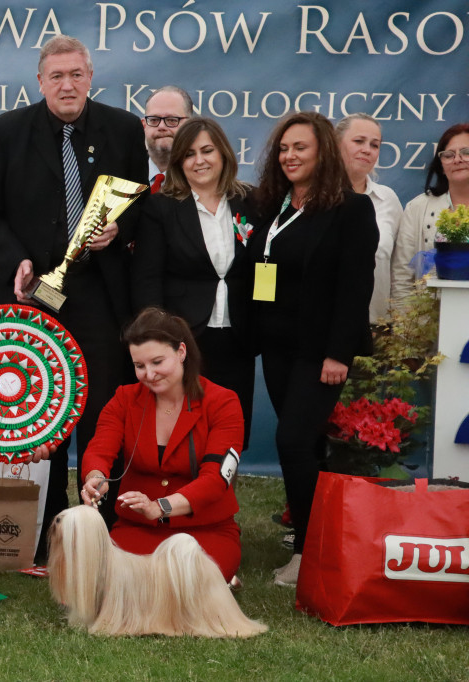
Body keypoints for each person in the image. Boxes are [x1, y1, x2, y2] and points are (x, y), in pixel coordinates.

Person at [0, 34, 148, 558]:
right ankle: (42, 531)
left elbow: (139, 202)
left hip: (99, 293)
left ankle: (102, 530)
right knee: (36, 413)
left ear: (91, 79)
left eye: (76, 75)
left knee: (99, 414)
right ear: (40, 81)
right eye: (56, 76)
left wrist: (119, 228)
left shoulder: (121, 129)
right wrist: (14, 259)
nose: (67, 84)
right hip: (31, 296)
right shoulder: (6, 132)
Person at [249, 111, 378, 587]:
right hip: (279, 348)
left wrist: (338, 354)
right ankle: (324, 542)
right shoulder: (274, 206)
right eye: (283, 149)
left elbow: (354, 287)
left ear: (323, 150)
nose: (289, 156)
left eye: (300, 147)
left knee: (293, 442)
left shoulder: (351, 208)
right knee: (310, 446)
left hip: (320, 354)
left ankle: (306, 553)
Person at [80, 307, 245, 582]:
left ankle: (220, 581)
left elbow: (217, 478)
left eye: (157, 362)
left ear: (181, 352)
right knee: (116, 584)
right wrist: (95, 478)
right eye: (139, 366)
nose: (149, 374)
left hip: (205, 529)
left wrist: (160, 507)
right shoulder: (124, 398)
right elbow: (99, 448)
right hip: (137, 528)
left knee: (186, 585)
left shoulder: (223, 402)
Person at [132, 117, 255, 447]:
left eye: (207, 150)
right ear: (178, 163)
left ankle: (220, 492)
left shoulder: (251, 201)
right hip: (183, 339)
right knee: (181, 432)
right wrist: (157, 338)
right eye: (188, 154)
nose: (199, 160)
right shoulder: (161, 208)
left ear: (224, 154)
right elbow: (147, 278)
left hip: (238, 336)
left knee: (229, 430)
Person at [336, 113, 403, 324]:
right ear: (336, 145)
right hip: (323, 329)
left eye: (375, 145)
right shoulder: (314, 198)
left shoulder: (388, 199)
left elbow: (400, 270)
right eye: (358, 141)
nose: (367, 150)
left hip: (377, 330)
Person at [392, 122, 469, 303]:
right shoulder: (417, 208)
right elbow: (402, 276)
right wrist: (407, 330)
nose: (457, 159)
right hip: (429, 323)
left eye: (466, 152)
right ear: (441, 165)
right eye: (448, 155)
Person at [143, 86, 193, 193]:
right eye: (154, 120)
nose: (161, 126)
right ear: (144, 126)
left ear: (190, 125)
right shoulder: (123, 176)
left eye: (172, 120)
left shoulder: (203, 182)